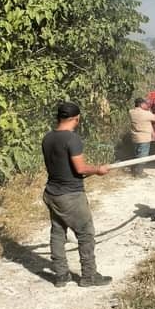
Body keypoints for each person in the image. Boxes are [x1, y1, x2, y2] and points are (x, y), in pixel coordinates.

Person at [42, 102, 111, 288]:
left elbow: (65, 168)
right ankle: (89, 276)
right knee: (85, 233)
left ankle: (61, 275)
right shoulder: (72, 139)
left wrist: (91, 171)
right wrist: (98, 169)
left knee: (57, 232)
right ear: (76, 118)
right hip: (70, 196)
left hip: (51, 193)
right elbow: (80, 169)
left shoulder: (48, 138)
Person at [128, 97, 155, 177]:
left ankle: (134, 170)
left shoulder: (131, 112)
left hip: (135, 137)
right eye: (145, 103)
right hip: (144, 138)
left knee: (136, 154)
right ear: (141, 104)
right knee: (143, 155)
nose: (146, 105)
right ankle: (139, 173)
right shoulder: (145, 114)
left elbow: (147, 120)